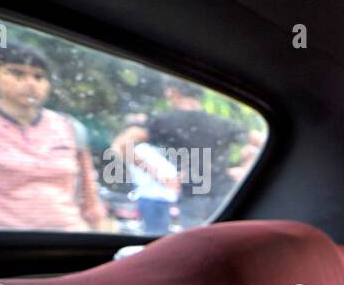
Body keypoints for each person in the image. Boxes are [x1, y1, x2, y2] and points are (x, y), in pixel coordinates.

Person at [0, 42, 106, 231]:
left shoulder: (69, 126)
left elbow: (88, 192)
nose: (30, 83)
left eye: (39, 77)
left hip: (67, 238)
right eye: (17, 73)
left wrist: (101, 234)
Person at [109, 79, 260, 231]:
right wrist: (246, 169)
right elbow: (262, 141)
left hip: (192, 198)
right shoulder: (221, 123)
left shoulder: (165, 121)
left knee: (197, 248)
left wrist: (158, 176)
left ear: (173, 91)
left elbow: (121, 144)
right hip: (226, 196)